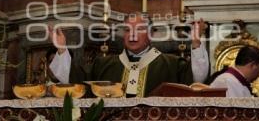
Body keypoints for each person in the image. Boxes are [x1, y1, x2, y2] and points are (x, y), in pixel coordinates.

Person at [49, 13, 209, 97]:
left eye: (138, 30)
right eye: (127, 30)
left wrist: (195, 44)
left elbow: (196, 81)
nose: (132, 36)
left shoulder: (172, 65)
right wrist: (62, 49)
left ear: (150, 34)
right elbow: (77, 84)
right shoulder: (103, 65)